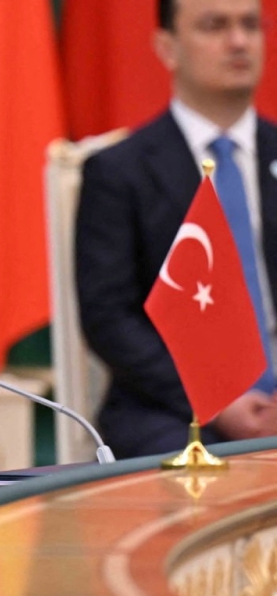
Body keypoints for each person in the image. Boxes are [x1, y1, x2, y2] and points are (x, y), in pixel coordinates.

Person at [75, 0, 277, 459]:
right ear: (167, 47)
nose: (239, 41)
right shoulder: (119, 171)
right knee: (193, 478)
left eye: (250, 24)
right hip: (170, 409)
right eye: (214, 26)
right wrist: (216, 399)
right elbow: (109, 318)